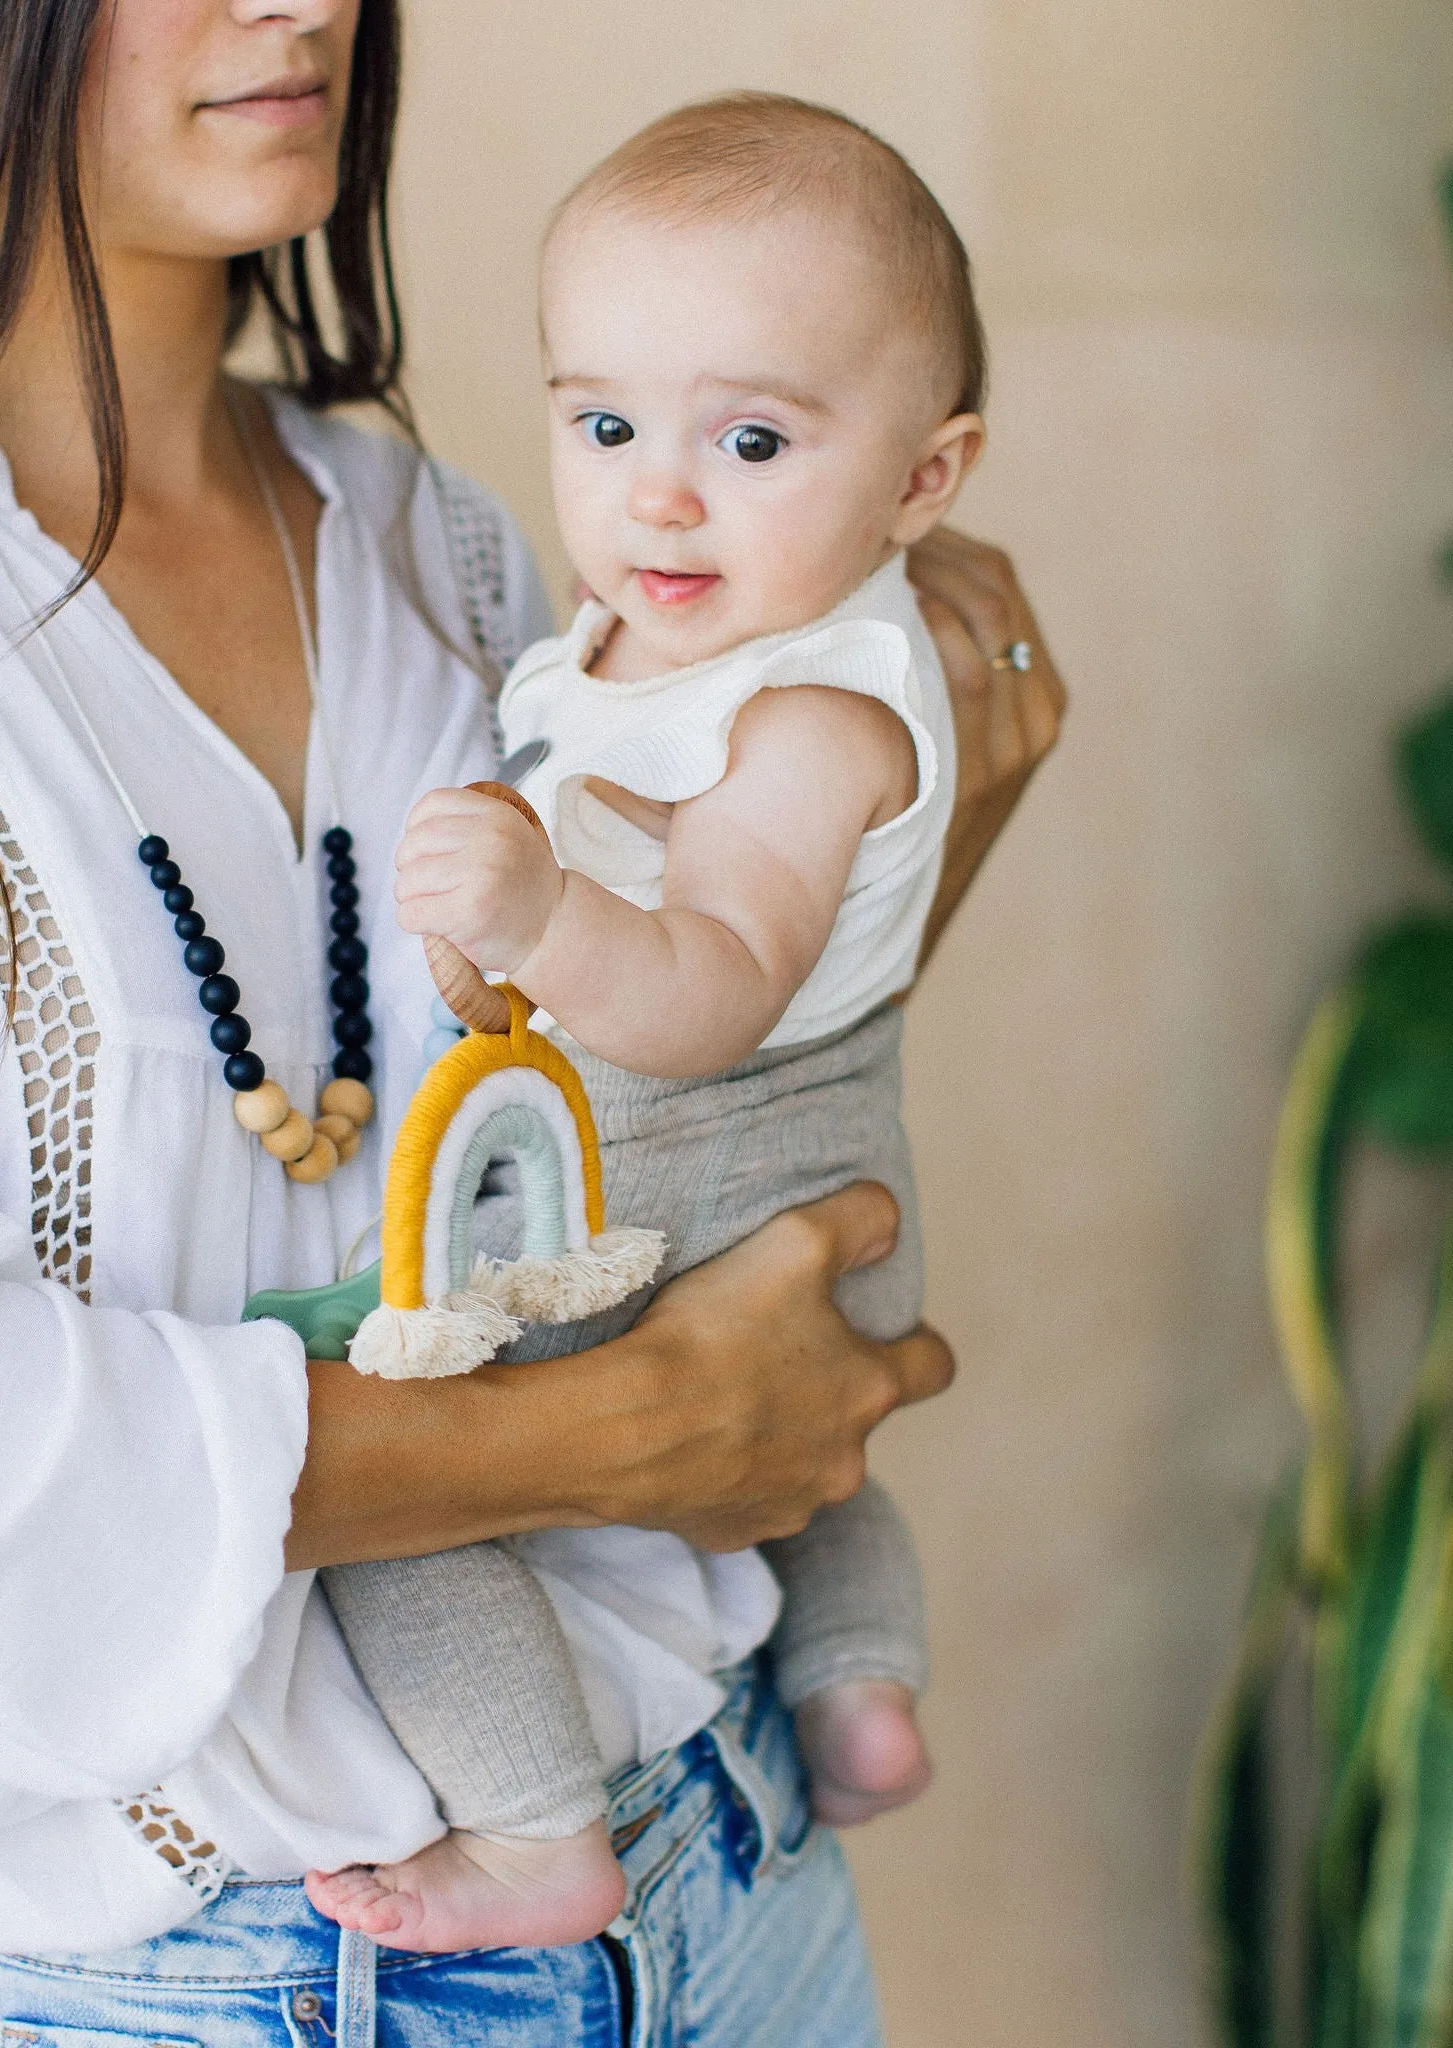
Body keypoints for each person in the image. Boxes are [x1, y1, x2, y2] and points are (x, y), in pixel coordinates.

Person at [0, 3, 1062, 2042]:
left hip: (737, 1871)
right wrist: (618, 1433)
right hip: (191, 1978)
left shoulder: (431, 536)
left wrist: (904, 857)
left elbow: (566, 1164)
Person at [307, 90, 981, 1957]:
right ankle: (857, 1686)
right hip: (799, 1195)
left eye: (749, 437)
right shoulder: (641, 643)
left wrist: (541, 911)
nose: (656, 492)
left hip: (715, 1143)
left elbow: (705, 988)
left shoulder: (811, 715)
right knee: (799, 1447)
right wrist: (493, 960)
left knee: (384, 1470)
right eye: (602, 424)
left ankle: (532, 1829)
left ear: (926, 479)